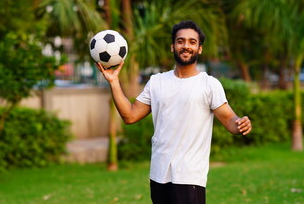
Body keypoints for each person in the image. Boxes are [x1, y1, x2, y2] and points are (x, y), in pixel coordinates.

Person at [96, 20, 252, 204]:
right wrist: (114, 83)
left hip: (189, 176)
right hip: (159, 174)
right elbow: (130, 116)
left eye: (192, 42)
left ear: (199, 49)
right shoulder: (157, 82)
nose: (186, 46)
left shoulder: (209, 84)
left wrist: (240, 123)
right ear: (172, 46)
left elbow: (229, 119)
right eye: (181, 41)